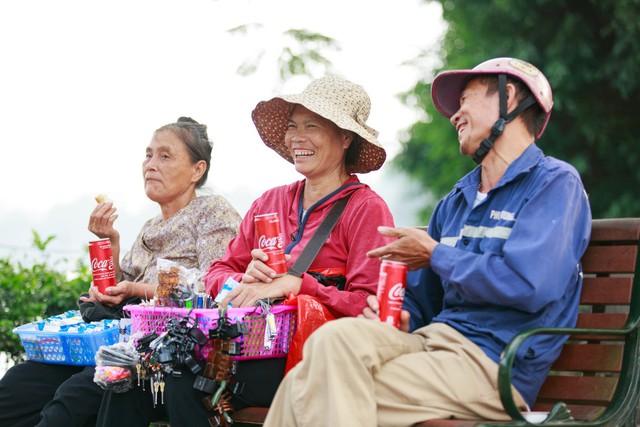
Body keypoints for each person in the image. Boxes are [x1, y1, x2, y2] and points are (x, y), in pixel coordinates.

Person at [263, 57, 592, 427]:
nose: (455, 116)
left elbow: (531, 285)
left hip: (495, 362)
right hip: (432, 343)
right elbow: (421, 299)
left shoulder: (553, 183)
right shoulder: (457, 200)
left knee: (308, 388)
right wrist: (402, 316)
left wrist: (436, 254)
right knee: (333, 340)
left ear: (508, 97)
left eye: (465, 100)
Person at [96, 75, 396, 427]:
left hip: (309, 356)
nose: (297, 137)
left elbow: (371, 307)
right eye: (292, 126)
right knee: (126, 382)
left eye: (311, 126)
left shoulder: (365, 209)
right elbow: (217, 273)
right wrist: (244, 278)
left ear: (346, 138)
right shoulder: (271, 201)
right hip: (248, 345)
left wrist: (298, 285)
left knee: (182, 382)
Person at [0, 117, 241, 427]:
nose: (150, 165)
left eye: (165, 156)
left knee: (73, 397)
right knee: (20, 383)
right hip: (113, 342)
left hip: (166, 355)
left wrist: (135, 291)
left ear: (198, 169)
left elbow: (214, 290)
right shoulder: (149, 227)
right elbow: (117, 288)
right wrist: (109, 244)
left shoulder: (213, 212)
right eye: (148, 154)